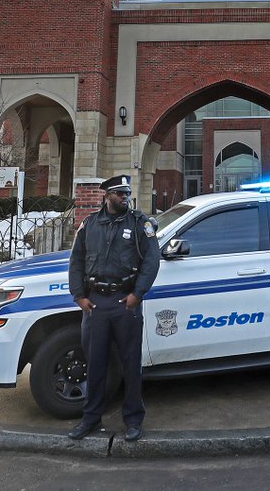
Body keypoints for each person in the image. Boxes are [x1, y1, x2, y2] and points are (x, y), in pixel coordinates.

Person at [67, 174, 160, 442]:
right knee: (95, 364)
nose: (125, 197)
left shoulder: (141, 224)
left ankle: (133, 419)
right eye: (119, 193)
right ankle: (91, 418)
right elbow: (76, 262)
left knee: (131, 364)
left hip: (125, 302)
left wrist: (137, 295)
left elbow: (151, 262)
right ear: (106, 196)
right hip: (96, 304)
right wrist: (79, 297)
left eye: (127, 193)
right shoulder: (90, 225)